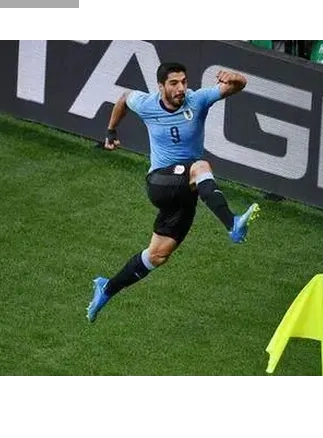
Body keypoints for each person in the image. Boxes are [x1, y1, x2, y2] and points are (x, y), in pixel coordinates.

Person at [86, 62, 260, 322]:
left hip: (186, 191)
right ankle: (232, 225)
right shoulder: (146, 104)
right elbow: (123, 98)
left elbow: (239, 85)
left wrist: (234, 76)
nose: (181, 88)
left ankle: (106, 288)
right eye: (174, 83)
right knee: (201, 166)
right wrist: (111, 131)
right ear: (161, 86)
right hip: (160, 182)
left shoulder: (197, 100)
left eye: (184, 82)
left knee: (157, 255)